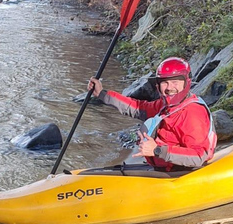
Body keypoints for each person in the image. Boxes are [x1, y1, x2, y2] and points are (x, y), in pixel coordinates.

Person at [88, 57, 217, 172]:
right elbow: (137, 107)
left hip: (181, 171)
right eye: (164, 82)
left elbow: (199, 155)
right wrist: (102, 94)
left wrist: (157, 150)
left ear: (186, 82)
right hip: (166, 166)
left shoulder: (192, 114)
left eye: (175, 82)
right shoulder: (165, 106)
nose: (169, 87)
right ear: (158, 85)